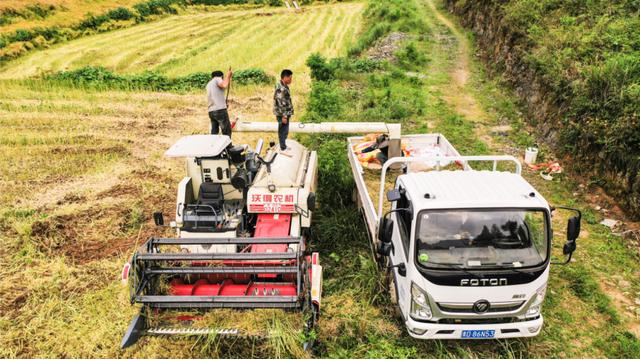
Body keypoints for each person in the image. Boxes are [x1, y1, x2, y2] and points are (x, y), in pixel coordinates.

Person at [207, 68, 233, 136]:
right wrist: (228, 76)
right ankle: (228, 146)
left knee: (214, 131)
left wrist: (223, 103)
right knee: (226, 130)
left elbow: (215, 96)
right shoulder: (217, 79)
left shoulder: (209, 84)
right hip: (219, 110)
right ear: (221, 76)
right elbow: (224, 85)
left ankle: (213, 145)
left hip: (211, 111)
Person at [273, 69, 294, 152]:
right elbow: (281, 102)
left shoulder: (283, 85)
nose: (291, 80)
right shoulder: (281, 88)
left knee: (284, 130)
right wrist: (284, 116)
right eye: (290, 78)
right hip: (282, 114)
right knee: (283, 130)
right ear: (285, 77)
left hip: (284, 113)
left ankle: (283, 145)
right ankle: (283, 147)